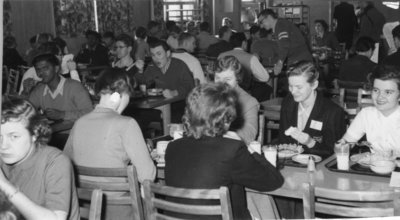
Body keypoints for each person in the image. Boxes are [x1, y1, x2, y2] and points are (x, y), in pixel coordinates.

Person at [165, 83, 283, 220]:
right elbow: (273, 181)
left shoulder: (172, 148)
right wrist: (248, 146)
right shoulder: (232, 149)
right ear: (225, 119)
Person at [64, 68, 156, 220]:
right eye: (128, 96)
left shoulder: (79, 123)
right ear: (117, 96)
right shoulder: (127, 124)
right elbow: (148, 176)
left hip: (85, 208)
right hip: (120, 209)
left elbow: (64, 163)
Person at [0, 98, 79, 220]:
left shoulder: (56, 162)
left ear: (34, 134)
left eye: (14, 136)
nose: (3, 146)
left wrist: (5, 185)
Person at [279, 61, 346, 157]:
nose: (293, 91)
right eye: (290, 86)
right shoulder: (288, 104)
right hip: (291, 164)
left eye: (299, 87)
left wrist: (310, 142)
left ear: (314, 85)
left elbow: (336, 152)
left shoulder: (332, 112)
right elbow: (283, 142)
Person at [340, 65, 400, 155]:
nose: (380, 97)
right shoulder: (367, 114)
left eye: (388, 92)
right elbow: (346, 142)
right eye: (376, 90)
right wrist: (341, 146)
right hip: (375, 167)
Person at [29, 53, 93, 122]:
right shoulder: (39, 89)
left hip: (75, 131)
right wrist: (26, 92)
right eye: (38, 70)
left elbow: (90, 113)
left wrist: (63, 115)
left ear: (56, 68)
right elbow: (26, 112)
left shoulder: (74, 87)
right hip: (52, 131)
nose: (40, 73)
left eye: (45, 68)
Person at [214, 55, 259, 145]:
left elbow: (249, 134)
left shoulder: (249, 102)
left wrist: (220, 137)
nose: (221, 84)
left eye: (227, 79)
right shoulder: (207, 96)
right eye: (218, 78)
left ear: (238, 79)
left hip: (230, 148)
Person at [258, 9, 312, 75]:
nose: (261, 26)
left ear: (269, 17)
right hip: (297, 58)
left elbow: (284, 45)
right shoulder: (280, 24)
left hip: (300, 60)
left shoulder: (280, 25)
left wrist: (279, 63)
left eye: (261, 22)